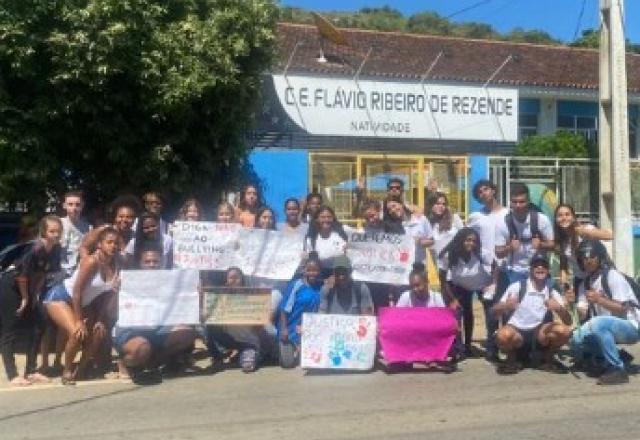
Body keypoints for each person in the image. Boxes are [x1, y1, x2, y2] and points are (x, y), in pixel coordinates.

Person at [43, 227, 120, 384]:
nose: (113, 246)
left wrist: (100, 319)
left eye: (116, 243)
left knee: (98, 332)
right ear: (99, 244)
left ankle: (82, 369)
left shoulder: (114, 265)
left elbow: (107, 295)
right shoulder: (91, 261)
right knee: (77, 333)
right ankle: (67, 371)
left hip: (83, 304)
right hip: (61, 298)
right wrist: (79, 320)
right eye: (109, 242)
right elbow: (77, 292)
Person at [114, 246, 196, 383]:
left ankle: (153, 360)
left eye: (155, 261)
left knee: (187, 334)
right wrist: (116, 292)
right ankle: (124, 362)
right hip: (131, 331)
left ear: (161, 263)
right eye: (147, 262)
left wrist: (195, 292)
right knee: (141, 347)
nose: (152, 265)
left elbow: (184, 304)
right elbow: (111, 311)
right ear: (140, 263)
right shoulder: (127, 280)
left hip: (158, 328)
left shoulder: (170, 280)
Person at [0, 215, 62, 386]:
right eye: (52, 231)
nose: (56, 235)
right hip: (11, 286)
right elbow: (21, 275)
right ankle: (13, 374)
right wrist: (26, 298)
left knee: (38, 324)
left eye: (58, 231)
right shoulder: (35, 248)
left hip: (29, 286)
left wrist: (35, 295)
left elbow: (43, 273)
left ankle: (31, 370)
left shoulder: (56, 249)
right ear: (43, 232)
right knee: (10, 328)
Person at [569, 240, 640, 385]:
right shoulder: (585, 284)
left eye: (591, 257)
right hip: (606, 328)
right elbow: (583, 315)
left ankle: (617, 369)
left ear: (600, 257)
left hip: (631, 326)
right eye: (584, 258)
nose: (587, 261)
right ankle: (618, 356)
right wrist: (572, 304)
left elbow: (623, 307)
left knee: (598, 323)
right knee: (576, 338)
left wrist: (599, 300)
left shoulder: (612, 276)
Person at [492, 253, 572, 374]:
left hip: (539, 334)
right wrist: (505, 306)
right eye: (536, 266)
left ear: (548, 270)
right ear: (530, 270)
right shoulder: (517, 287)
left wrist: (559, 309)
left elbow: (568, 321)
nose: (540, 268)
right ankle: (512, 360)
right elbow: (493, 313)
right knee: (503, 335)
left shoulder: (551, 290)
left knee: (564, 331)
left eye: (543, 266)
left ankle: (547, 360)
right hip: (518, 333)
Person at [466, 179, 509, 360]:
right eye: (479, 192)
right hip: (484, 270)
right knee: (490, 309)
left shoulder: (509, 213)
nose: (484, 194)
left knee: (506, 307)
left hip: (506, 267)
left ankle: (508, 345)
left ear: (493, 190)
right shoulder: (476, 217)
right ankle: (492, 348)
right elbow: (466, 238)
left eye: (486, 189)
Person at [205, 267, 277, 373]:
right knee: (207, 326)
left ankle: (257, 353)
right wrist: (201, 293)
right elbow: (207, 306)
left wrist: (259, 323)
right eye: (231, 278)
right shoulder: (220, 295)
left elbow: (264, 322)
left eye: (236, 278)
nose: (234, 280)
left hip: (249, 340)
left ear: (242, 279)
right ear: (227, 280)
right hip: (231, 339)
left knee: (247, 366)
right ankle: (218, 357)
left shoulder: (252, 295)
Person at [442, 228, 497, 359]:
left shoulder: (482, 253)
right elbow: (444, 280)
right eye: (468, 240)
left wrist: (493, 283)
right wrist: (453, 299)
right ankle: (461, 348)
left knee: (491, 315)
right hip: (461, 287)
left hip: (482, 285)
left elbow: (496, 266)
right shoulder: (449, 256)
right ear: (461, 240)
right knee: (460, 314)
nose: (471, 243)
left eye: (474, 241)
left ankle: (491, 348)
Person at [495, 182, 555, 285]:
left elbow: (553, 245)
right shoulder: (503, 223)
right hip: (514, 272)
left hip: (539, 270)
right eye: (515, 202)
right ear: (510, 202)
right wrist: (510, 248)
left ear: (528, 202)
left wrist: (541, 244)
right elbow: (498, 252)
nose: (518, 205)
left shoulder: (541, 219)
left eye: (522, 202)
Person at [554, 203, 612, 302]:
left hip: (599, 276)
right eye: (560, 215)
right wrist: (565, 284)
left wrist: (585, 232)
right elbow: (563, 265)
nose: (564, 218)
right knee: (582, 310)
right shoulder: (561, 240)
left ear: (573, 217)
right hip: (580, 279)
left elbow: (609, 235)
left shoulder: (584, 230)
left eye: (567, 214)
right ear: (556, 219)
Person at [278, 254, 323, 368]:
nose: (312, 273)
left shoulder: (321, 286)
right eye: (309, 270)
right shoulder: (296, 285)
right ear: (304, 270)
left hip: (310, 330)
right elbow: (284, 309)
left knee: (311, 362)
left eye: (315, 270)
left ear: (319, 271)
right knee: (287, 364)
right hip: (291, 330)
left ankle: (300, 349)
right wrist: (284, 329)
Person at [427, 192, 464, 287]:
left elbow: (465, 236)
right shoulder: (427, 222)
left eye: (443, 204)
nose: (441, 206)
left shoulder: (454, 218)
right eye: (438, 203)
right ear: (431, 205)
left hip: (455, 267)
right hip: (436, 269)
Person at [304, 205, 348, 276]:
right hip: (319, 276)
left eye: (329, 217)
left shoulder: (342, 234)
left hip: (339, 275)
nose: (326, 220)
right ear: (317, 219)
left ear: (333, 218)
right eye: (323, 217)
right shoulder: (311, 238)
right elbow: (311, 262)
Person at [60, 190, 92, 275]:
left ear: (82, 206)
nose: (74, 208)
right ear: (64, 206)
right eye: (70, 204)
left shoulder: (88, 228)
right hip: (58, 270)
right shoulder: (58, 224)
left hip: (78, 271)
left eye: (77, 205)